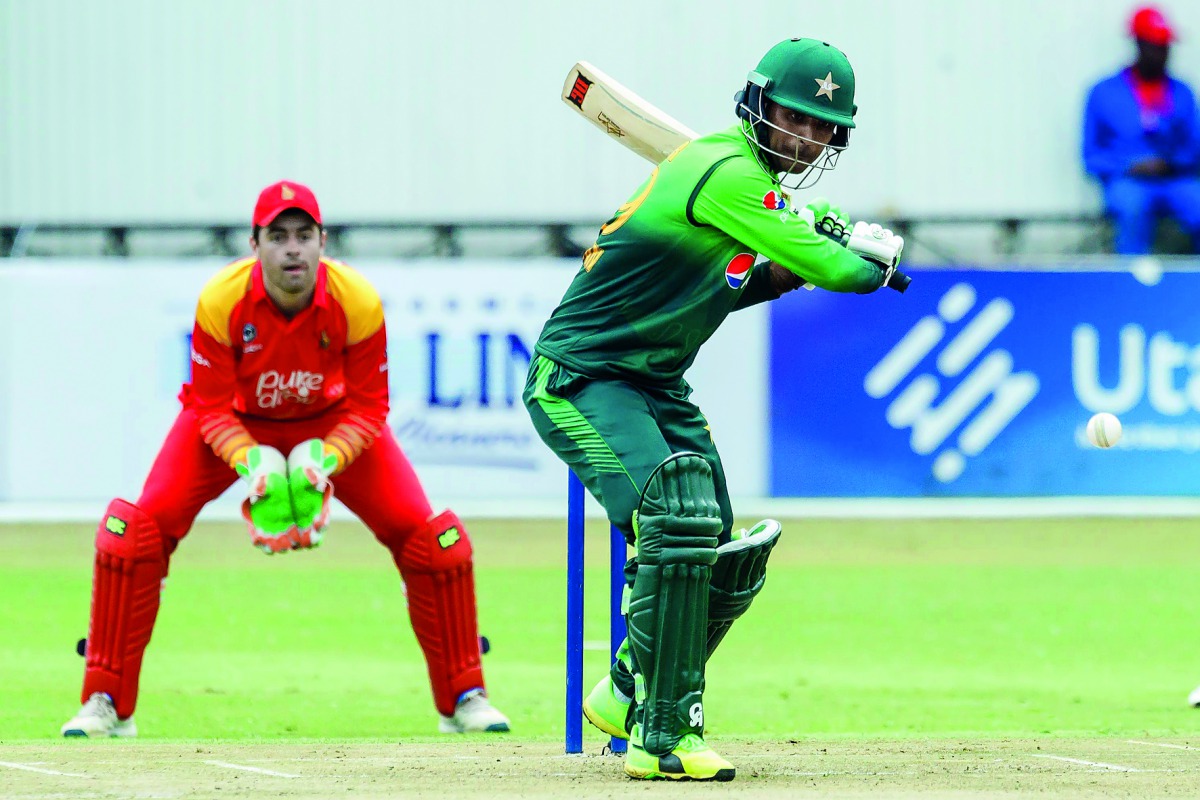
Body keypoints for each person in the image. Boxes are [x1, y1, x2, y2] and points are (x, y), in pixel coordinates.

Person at [523, 38, 905, 781]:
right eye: (794, 118)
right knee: (676, 512)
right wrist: (862, 258)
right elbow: (837, 268)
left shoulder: (749, 195)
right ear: (757, 105)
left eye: (823, 128)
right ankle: (662, 738)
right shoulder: (725, 172)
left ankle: (627, 686)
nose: (807, 137)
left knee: (718, 545)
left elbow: (738, 285)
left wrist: (791, 264)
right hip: (577, 379)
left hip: (656, 383)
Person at [61, 180, 509, 738]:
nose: (292, 248)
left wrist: (329, 455)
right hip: (233, 422)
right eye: (278, 236)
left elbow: (371, 405)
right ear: (255, 244)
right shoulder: (221, 300)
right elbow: (207, 405)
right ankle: (104, 699)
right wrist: (254, 462)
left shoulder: (357, 301)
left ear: (323, 241)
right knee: (133, 534)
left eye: (303, 235)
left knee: (435, 543)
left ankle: (465, 697)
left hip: (331, 423)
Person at [1082, 6, 1200, 254]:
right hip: (1127, 180)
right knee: (1131, 206)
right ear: (1138, 44)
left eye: (1166, 46)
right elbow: (1091, 156)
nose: (1163, 53)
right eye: (1156, 45)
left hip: (1175, 179)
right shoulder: (1103, 93)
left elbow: (1194, 146)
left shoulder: (1182, 93)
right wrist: (1130, 166)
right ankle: (1131, 283)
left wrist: (1170, 164)